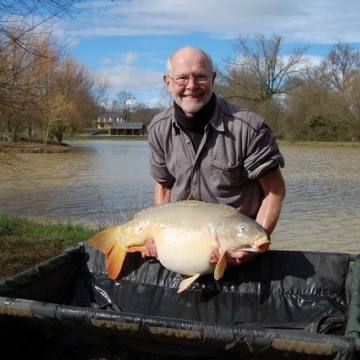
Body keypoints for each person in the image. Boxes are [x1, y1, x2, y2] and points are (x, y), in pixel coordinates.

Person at [145, 46, 286, 267]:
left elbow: (274, 190)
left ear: (212, 78)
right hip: (181, 248)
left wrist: (256, 244)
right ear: (168, 82)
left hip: (235, 247)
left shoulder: (249, 129)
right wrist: (155, 235)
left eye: (200, 76)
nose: (191, 86)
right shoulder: (158, 129)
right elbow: (164, 187)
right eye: (182, 78)